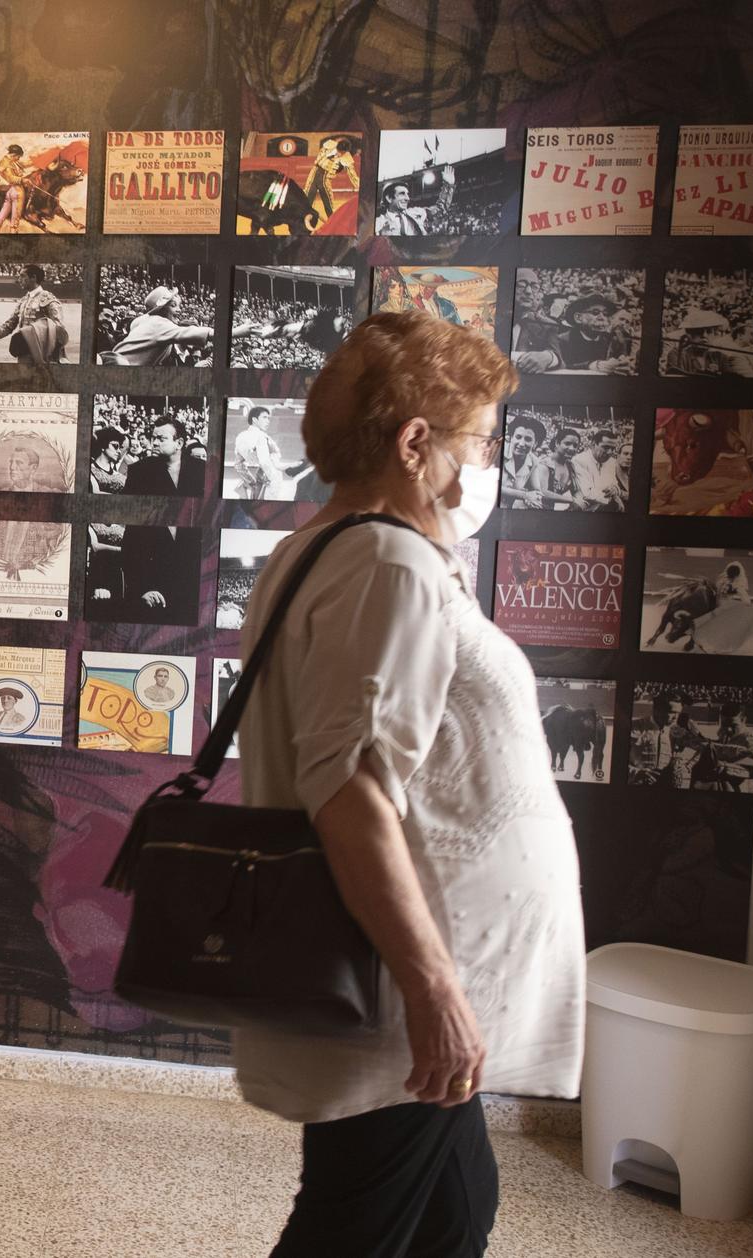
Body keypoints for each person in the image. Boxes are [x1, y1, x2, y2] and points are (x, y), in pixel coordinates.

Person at [236, 310, 583, 1255]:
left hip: (411, 981)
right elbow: (347, 791)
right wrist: (434, 990)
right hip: (395, 990)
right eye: (477, 438)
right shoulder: (384, 564)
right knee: (359, 1230)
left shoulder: (348, 550)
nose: (485, 460)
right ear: (415, 441)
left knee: (453, 1214)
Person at [0, 264, 68, 365]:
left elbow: (59, 333)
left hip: (42, 356)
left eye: (22, 276)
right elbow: (8, 327)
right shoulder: (24, 301)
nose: (19, 279)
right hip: (23, 353)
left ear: (33, 278)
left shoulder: (48, 299)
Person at [512, 292, 628, 373]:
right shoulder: (562, 340)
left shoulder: (613, 340)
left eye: (606, 314)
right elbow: (563, 365)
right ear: (578, 317)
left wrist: (623, 365)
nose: (602, 317)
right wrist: (592, 365)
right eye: (595, 312)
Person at [103, 284, 212, 366]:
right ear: (161, 309)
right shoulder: (159, 323)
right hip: (117, 364)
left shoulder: (145, 320)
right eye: (173, 306)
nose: (179, 310)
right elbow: (188, 332)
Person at [122, 417, 204, 496]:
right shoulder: (138, 470)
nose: (155, 443)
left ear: (179, 443)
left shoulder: (201, 468)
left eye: (161, 439)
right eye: (153, 438)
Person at [235, 405, 288, 499]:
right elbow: (264, 462)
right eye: (264, 417)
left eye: (268, 418)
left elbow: (238, 465)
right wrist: (272, 478)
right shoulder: (260, 436)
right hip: (270, 477)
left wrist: (251, 482)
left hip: (259, 479)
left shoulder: (241, 436)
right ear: (255, 420)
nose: (268, 421)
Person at [571, 427, 627, 511]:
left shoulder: (611, 461)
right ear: (593, 444)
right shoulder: (579, 460)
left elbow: (613, 484)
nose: (610, 452)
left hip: (600, 507)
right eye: (605, 447)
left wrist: (614, 491)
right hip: (584, 510)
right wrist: (613, 496)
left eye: (613, 449)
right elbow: (587, 494)